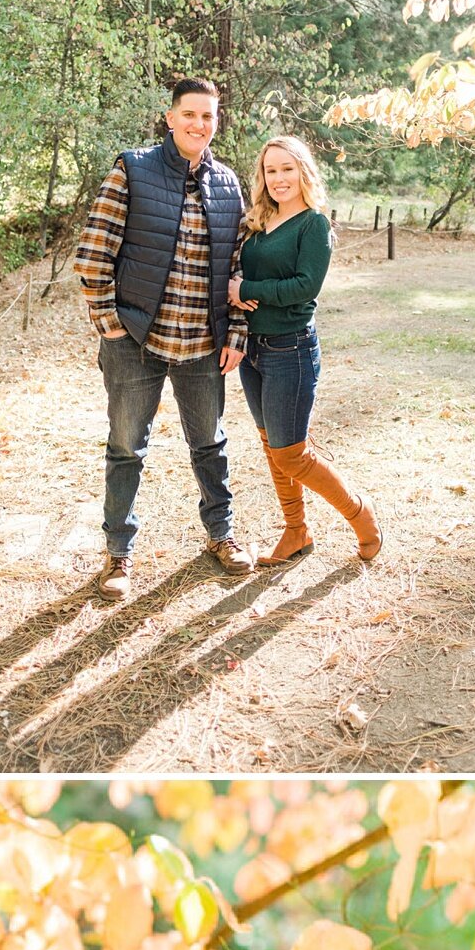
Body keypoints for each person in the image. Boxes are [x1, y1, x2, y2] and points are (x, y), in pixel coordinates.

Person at [76, 76, 252, 600]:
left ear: (216, 122)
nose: (199, 124)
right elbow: (93, 253)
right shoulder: (133, 169)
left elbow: (238, 268)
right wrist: (110, 324)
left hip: (202, 344)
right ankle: (118, 553)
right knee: (126, 448)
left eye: (208, 116)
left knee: (210, 444)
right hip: (135, 341)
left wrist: (236, 331)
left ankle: (221, 536)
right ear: (170, 118)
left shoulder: (228, 185)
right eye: (190, 114)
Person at [230, 137, 381, 565]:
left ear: (303, 172)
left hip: (290, 349)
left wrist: (247, 289)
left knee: (291, 454)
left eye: (287, 169)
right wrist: (235, 292)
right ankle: (296, 531)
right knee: (271, 446)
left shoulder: (314, 224)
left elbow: (305, 287)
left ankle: (361, 514)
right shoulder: (259, 221)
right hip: (253, 351)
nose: (278, 178)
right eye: (271, 170)